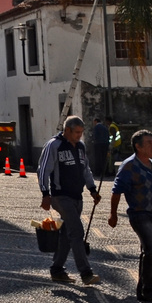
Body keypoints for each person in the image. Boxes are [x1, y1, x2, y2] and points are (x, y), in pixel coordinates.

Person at [109, 128, 152, 303]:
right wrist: (113, 214)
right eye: (149, 143)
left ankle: (143, 290)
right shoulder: (129, 165)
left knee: (150, 252)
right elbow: (116, 191)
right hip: (140, 214)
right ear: (138, 146)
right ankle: (151, 291)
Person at [37, 115, 102, 285]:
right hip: (60, 196)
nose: (79, 136)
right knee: (77, 231)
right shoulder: (54, 145)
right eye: (76, 133)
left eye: (81, 132)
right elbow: (43, 170)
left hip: (77, 197)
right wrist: (45, 194)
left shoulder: (80, 147)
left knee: (67, 234)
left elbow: (85, 170)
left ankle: (57, 268)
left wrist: (93, 190)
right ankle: (86, 273)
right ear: (67, 130)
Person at [87, 113, 110, 181]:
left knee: (98, 159)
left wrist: (93, 141)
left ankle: (98, 172)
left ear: (95, 121)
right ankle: (105, 172)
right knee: (104, 158)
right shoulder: (105, 127)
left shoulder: (96, 127)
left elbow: (95, 136)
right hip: (105, 144)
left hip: (98, 144)